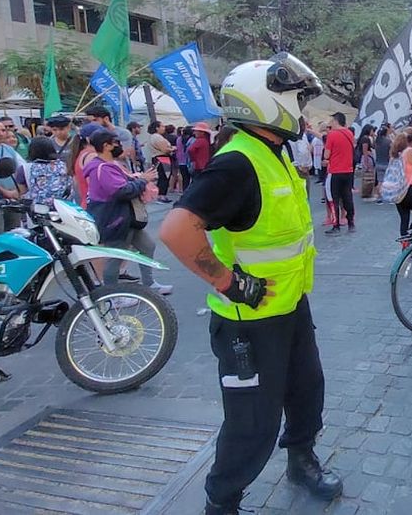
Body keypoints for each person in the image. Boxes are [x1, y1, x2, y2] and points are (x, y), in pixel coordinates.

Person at [158, 53, 341, 515]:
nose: (301, 111)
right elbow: (176, 230)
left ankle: (302, 461)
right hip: (247, 323)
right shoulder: (236, 163)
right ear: (264, 102)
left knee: (306, 393)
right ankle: (222, 504)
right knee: (251, 425)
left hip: (289, 309)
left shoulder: (272, 153)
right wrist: (227, 282)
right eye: (295, 100)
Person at [83, 130, 171, 295]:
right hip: (115, 219)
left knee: (147, 246)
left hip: (125, 218)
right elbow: (121, 191)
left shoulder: (107, 165)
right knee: (116, 257)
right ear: (106, 146)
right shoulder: (102, 168)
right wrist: (142, 180)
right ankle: (111, 295)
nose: (120, 145)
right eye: (116, 142)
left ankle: (149, 283)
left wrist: (138, 179)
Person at [323, 112, 355, 234]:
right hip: (348, 171)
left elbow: (326, 155)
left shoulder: (332, 135)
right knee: (347, 197)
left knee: (333, 198)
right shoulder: (349, 133)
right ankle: (351, 222)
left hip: (335, 171)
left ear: (336, 121)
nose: (330, 124)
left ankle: (336, 225)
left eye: (331, 121)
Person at [16, 137, 72, 205]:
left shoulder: (24, 168)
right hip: (62, 207)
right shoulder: (63, 166)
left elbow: (23, 191)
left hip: (36, 208)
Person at [68, 123, 102, 208]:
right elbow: (95, 185)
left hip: (86, 204)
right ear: (88, 139)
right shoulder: (91, 156)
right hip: (95, 207)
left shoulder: (80, 154)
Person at [145, 120, 174, 202]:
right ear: (157, 128)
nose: (164, 128)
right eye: (162, 126)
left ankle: (160, 195)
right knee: (164, 177)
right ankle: (161, 195)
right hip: (162, 158)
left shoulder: (153, 137)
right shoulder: (157, 137)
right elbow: (165, 149)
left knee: (162, 176)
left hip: (158, 158)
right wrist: (172, 149)